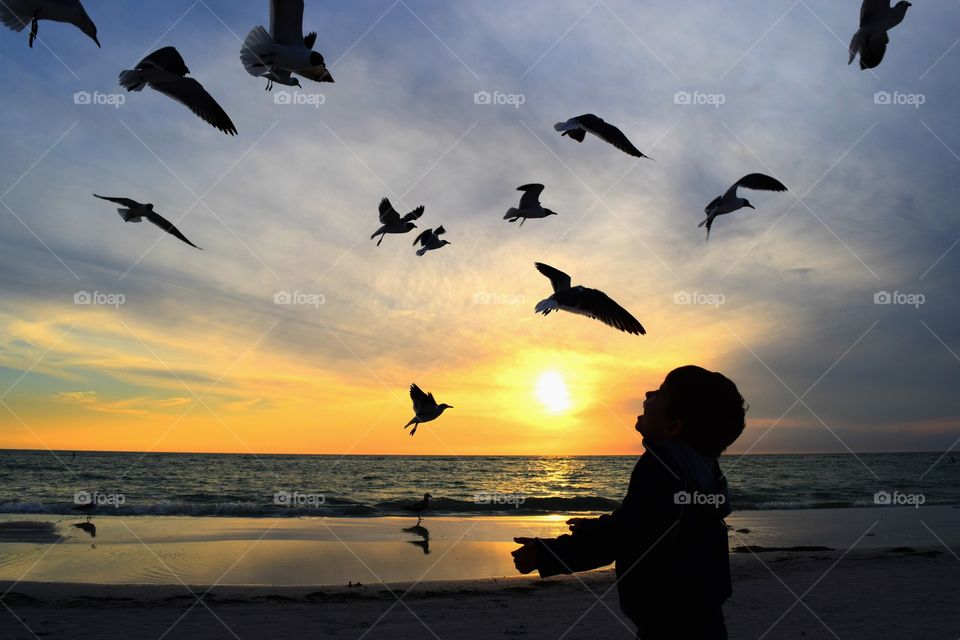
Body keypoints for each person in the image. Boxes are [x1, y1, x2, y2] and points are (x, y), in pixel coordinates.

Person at [511, 365, 747, 639]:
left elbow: (625, 535)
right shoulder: (703, 471)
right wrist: (593, 526)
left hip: (668, 623)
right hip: (700, 616)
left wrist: (548, 554)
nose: (648, 393)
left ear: (673, 426)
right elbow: (647, 523)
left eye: (660, 394)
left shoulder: (661, 467)